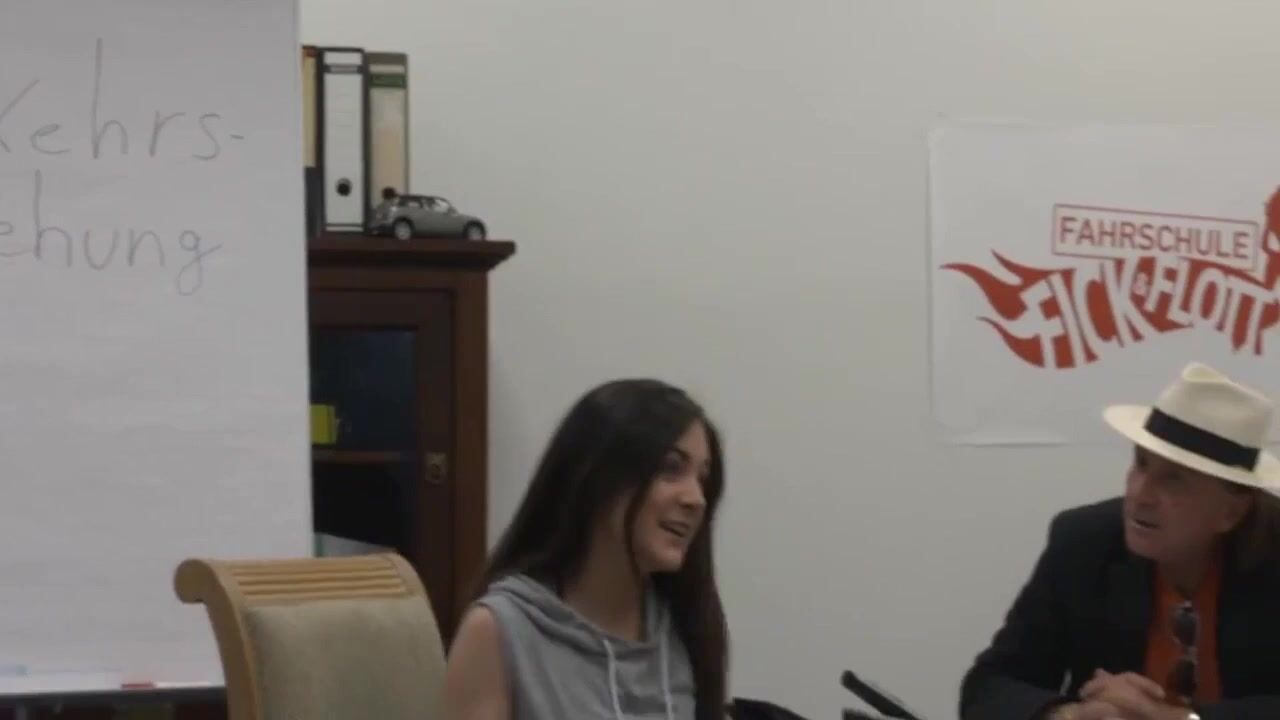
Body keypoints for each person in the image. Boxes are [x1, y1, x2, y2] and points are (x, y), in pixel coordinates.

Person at [960, 362, 1280, 720]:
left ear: (1231, 512)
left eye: (1173, 480)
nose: (1140, 494)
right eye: (1141, 464)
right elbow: (989, 687)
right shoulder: (1084, 543)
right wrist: (1070, 715)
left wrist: (1178, 719)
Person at [443, 378, 728, 720]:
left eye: (702, 478)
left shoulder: (684, 626)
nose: (696, 498)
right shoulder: (499, 632)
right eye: (671, 469)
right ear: (597, 477)